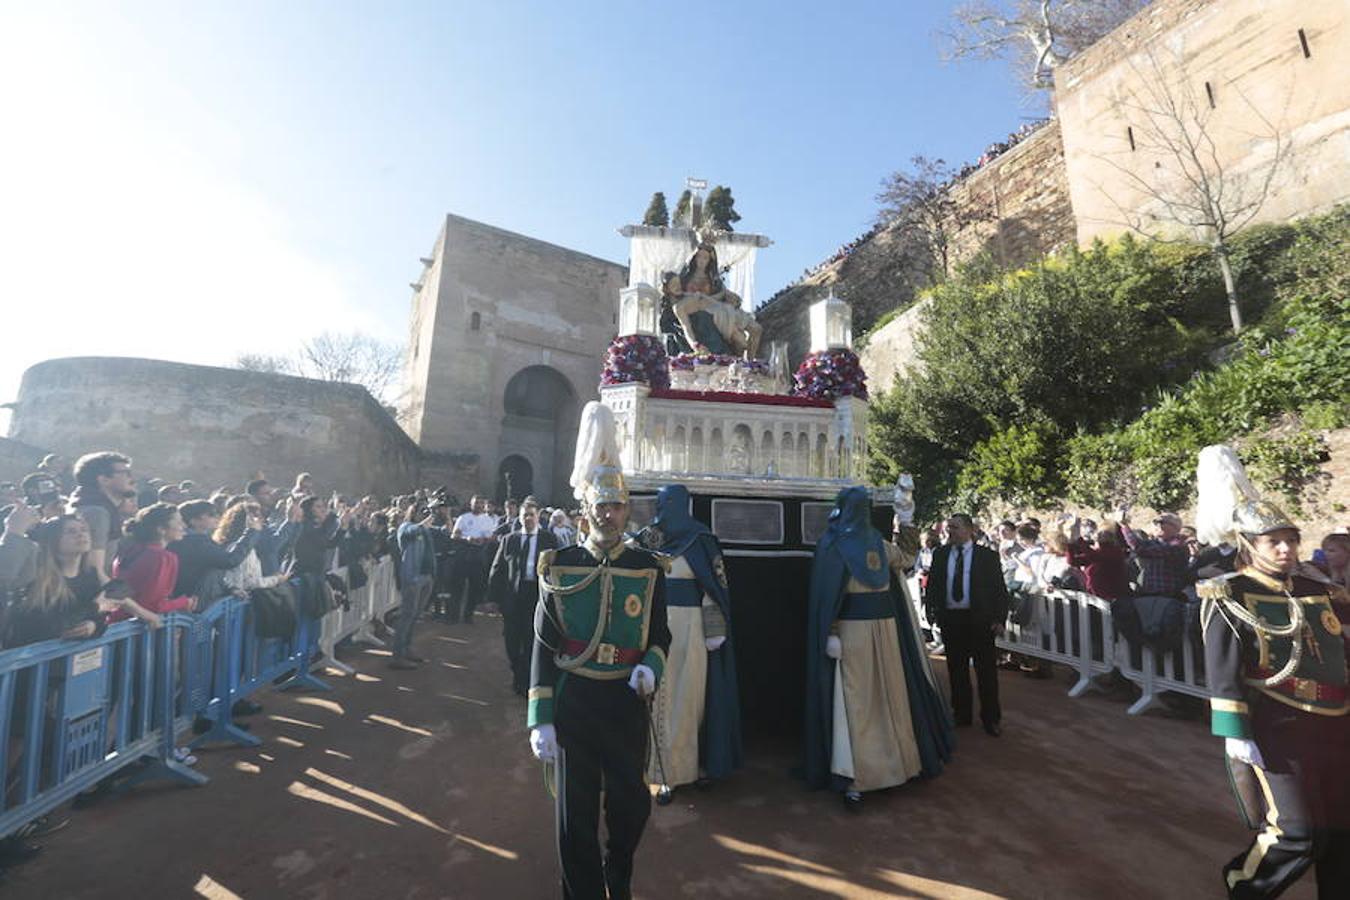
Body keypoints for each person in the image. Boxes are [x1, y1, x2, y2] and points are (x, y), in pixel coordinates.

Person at [526, 402, 670, 900]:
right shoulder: (559, 564)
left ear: (628, 509)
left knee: (631, 806)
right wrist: (540, 717)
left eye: (617, 506)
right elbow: (543, 645)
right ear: (586, 509)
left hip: (624, 702)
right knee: (575, 814)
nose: (608, 514)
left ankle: (619, 870)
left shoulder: (648, 567)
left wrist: (651, 667)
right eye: (601, 506)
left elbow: (660, 635)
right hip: (575, 700)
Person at [1195, 445, 1350, 899]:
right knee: (1296, 833)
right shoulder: (1227, 594)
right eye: (1272, 541)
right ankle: (1244, 885)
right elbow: (1221, 669)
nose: (1285, 549)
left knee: (1341, 831)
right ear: (1249, 545)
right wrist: (1234, 732)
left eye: (1291, 539)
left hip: (1336, 722)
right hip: (1277, 724)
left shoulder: (1314, 587)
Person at [805, 486, 954, 808]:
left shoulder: (852, 543)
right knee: (862, 701)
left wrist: (907, 518)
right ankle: (858, 776)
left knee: (882, 698)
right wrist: (831, 631)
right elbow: (829, 594)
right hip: (856, 632)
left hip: (875, 632)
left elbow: (907, 560)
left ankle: (890, 769)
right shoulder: (847, 545)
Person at [638, 483, 741, 790]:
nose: (661, 509)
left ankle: (681, 769)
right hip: (651, 627)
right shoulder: (647, 538)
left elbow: (714, 588)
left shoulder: (702, 539)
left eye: (667, 503)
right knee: (652, 695)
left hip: (690, 629)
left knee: (686, 697)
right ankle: (652, 767)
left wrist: (714, 629)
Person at [923, 513, 1009, 736]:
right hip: (952, 619)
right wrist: (932, 610)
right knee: (957, 669)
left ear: (970, 530)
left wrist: (999, 619)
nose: (951, 531)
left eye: (956, 527)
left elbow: (999, 589)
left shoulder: (987, 556)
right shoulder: (941, 554)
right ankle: (961, 714)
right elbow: (933, 585)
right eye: (949, 527)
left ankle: (991, 718)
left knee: (986, 671)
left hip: (980, 619)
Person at [489, 499, 558, 695]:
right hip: (513, 596)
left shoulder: (549, 540)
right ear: (519, 518)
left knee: (530, 638)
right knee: (511, 639)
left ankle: (525, 679)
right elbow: (498, 568)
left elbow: (557, 568)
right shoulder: (509, 539)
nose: (528, 518)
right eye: (524, 515)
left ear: (538, 517)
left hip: (536, 596)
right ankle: (517, 671)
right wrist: (493, 598)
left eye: (531, 515)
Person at [110, 504, 196, 624]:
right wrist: (184, 602)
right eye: (179, 522)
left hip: (115, 626)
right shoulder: (163, 557)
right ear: (160, 529)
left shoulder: (128, 551)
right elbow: (152, 606)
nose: (184, 526)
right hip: (139, 631)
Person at [168, 499, 260, 604]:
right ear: (193, 520)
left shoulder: (190, 540)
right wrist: (251, 532)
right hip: (194, 602)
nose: (217, 517)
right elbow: (230, 561)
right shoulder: (196, 542)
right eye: (211, 514)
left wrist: (230, 589)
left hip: (189, 596)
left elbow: (202, 573)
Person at [68, 451, 135, 580]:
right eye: (126, 473)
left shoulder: (88, 505)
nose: (132, 479)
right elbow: (94, 570)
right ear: (104, 479)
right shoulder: (97, 513)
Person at [391, 501, 438, 669]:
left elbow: (446, 533)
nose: (424, 514)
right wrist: (423, 523)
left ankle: (406, 649)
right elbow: (410, 532)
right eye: (421, 511)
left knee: (415, 615)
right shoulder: (406, 527)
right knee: (406, 616)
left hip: (425, 577)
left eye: (426, 511)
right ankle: (397, 656)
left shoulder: (425, 530)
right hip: (412, 577)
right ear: (413, 512)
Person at [449, 495, 496, 625]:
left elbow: (492, 537)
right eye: (476, 503)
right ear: (471, 505)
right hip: (464, 552)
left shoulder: (488, 520)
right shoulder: (464, 518)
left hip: (479, 554)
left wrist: (484, 539)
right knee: (458, 586)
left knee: (475, 588)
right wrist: (467, 539)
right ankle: (453, 616)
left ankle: (468, 616)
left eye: (481, 503)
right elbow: (454, 535)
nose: (478, 506)